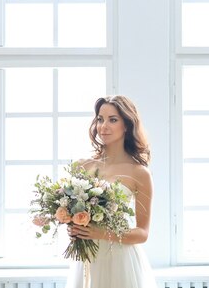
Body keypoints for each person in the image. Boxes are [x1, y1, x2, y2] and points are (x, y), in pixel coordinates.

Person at [64, 95, 158, 288]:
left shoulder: (139, 173)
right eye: (100, 119)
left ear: (127, 125)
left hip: (121, 261)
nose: (103, 126)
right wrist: (73, 226)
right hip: (87, 259)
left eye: (112, 119)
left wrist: (101, 233)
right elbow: (71, 212)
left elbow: (142, 233)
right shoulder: (82, 167)